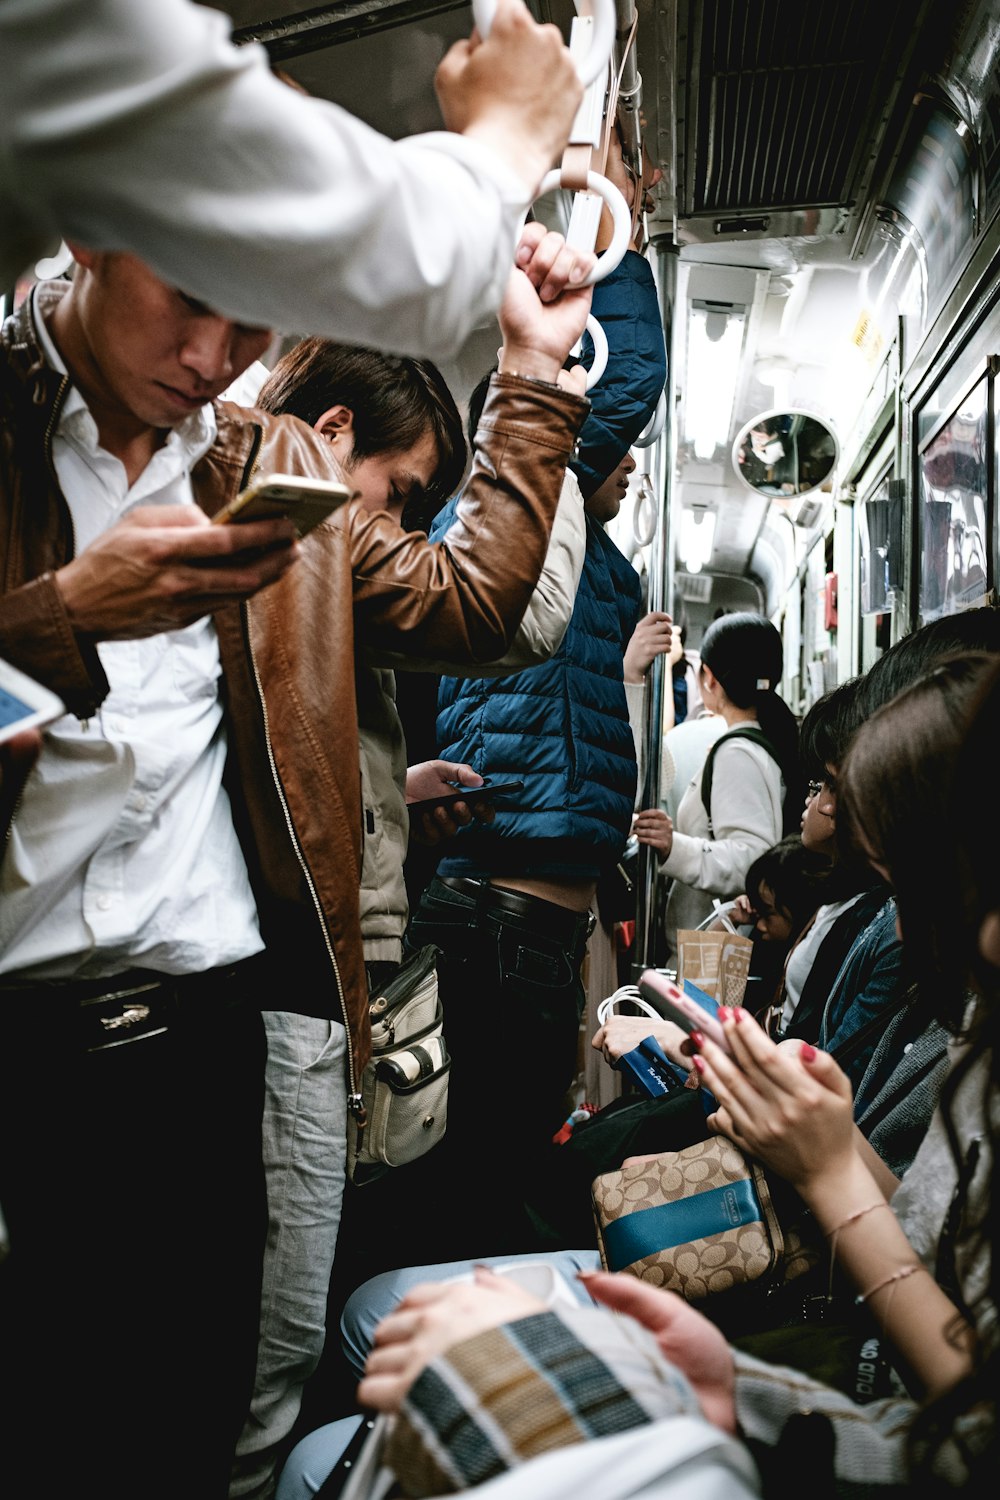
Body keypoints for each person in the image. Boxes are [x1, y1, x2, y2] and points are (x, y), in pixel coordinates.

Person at [0, 231, 592, 1499]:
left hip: (202, 1044)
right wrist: (64, 619)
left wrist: (534, 372)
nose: (214, 359)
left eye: (255, 326)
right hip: (21, 1046)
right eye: (189, 306)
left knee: (191, 1421)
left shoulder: (275, 464)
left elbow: (476, 603)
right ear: (96, 234)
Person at [283, 649, 1000, 1499]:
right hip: (843, 1388)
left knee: (354, 1398)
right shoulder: (959, 1029)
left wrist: (832, 1171)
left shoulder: (930, 1000)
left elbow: (966, 1432)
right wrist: (735, 1388)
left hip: (825, 1335)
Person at [227, 329, 591, 1499]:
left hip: (297, 953)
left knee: (283, 1296)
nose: (403, 521)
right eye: (402, 492)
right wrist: (551, 394)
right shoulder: (290, 501)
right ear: (331, 436)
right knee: (272, 1329)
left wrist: (389, 793)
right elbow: (503, 615)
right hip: (284, 965)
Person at [402, 167, 669, 1258]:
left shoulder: (594, 565)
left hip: (536, 924)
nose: (617, 456)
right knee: (483, 1179)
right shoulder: (495, 521)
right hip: (498, 921)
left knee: (502, 1161)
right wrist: (622, 246)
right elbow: (628, 379)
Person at [2, 0, 585, 357]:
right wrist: (508, 138)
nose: (209, 361)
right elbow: (419, 261)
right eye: (191, 291)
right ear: (87, 241)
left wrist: (529, 359)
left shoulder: (240, 456)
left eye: (262, 307)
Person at [634, 612, 802, 964]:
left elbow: (752, 858)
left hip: (716, 953)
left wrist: (672, 847)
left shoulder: (737, 752)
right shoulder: (766, 739)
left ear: (708, 679)